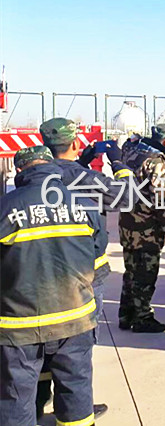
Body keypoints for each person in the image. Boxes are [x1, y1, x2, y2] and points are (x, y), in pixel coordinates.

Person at [38, 117, 137, 420]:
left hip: (39, 273)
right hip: (84, 275)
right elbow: (127, 196)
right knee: (75, 348)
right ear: (75, 143)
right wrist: (118, 162)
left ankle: (36, 402)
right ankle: (75, 409)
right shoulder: (85, 178)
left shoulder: (35, 176)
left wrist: (80, 160)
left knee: (40, 342)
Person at [0, 146, 101, 426]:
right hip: (76, 317)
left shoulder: (6, 208)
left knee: (15, 396)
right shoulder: (84, 205)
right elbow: (98, 261)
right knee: (76, 388)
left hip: (20, 323)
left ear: (20, 170)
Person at [118, 123, 165, 333]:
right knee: (146, 274)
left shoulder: (133, 154)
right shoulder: (158, 163)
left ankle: (126, 314)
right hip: (147, 229)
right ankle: (142, 317)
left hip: (128, 223)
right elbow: (163, 202)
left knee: (131, 271)